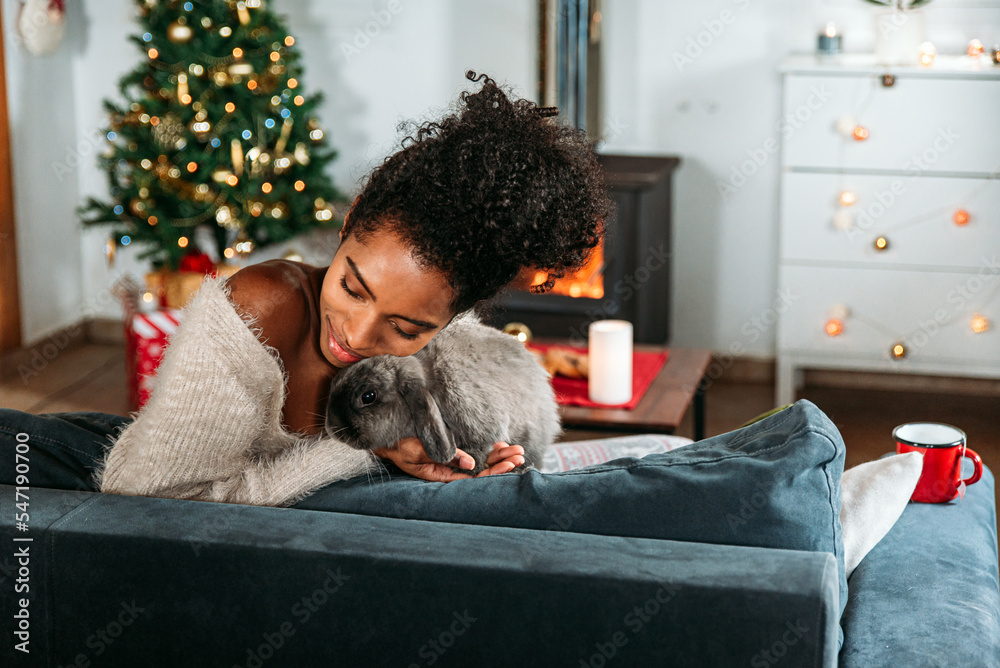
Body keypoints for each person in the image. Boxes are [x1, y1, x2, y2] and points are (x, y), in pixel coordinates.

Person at [0, 71, 611, 502]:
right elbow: (155, 496)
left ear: (453, 320)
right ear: (347, 227)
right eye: (353, 286)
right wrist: (360, 457)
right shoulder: (260, 308)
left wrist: (459, 474)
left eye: (408, 328)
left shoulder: (436, 348)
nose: (358, 333)